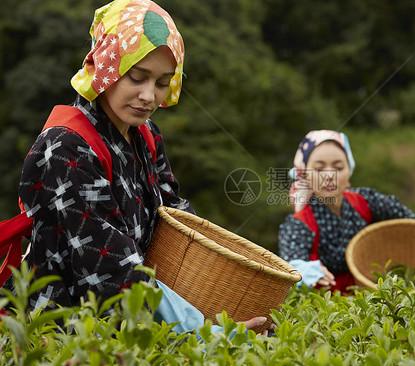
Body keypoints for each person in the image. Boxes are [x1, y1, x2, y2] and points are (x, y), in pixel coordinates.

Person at [13, 0, 267, 334]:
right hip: (68, 324)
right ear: (107, 67)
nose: (149, 96)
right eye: (137, 77)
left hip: (144, 312)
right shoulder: (67, 147)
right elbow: (108, 269)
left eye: (162, 82)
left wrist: (225, 300)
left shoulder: (146, 136)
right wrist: (206, 331)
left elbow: (178, 226)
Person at [278, 130, 415, 293]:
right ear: (304, 174)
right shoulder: (298, 224)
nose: (329, 176)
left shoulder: (366, 201)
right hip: (329, 312)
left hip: (375, 296)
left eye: (338, 167)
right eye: (319, 169)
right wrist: (306, 272)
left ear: (349, 170)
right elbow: (289, 268)